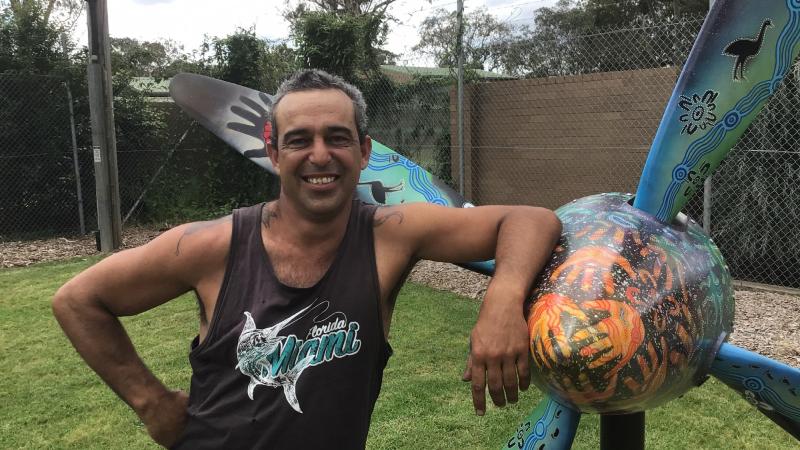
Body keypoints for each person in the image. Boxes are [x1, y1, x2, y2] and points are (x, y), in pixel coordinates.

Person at [53, 69, 561, 449]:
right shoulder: (211, 245)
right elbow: (79, 300)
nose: (320, 155)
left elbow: (531, 220)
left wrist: (503, 296)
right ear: (273, 154)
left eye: (337, 137)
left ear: (363, 152)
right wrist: (152, 403)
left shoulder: (392, 235)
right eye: (299, 140)